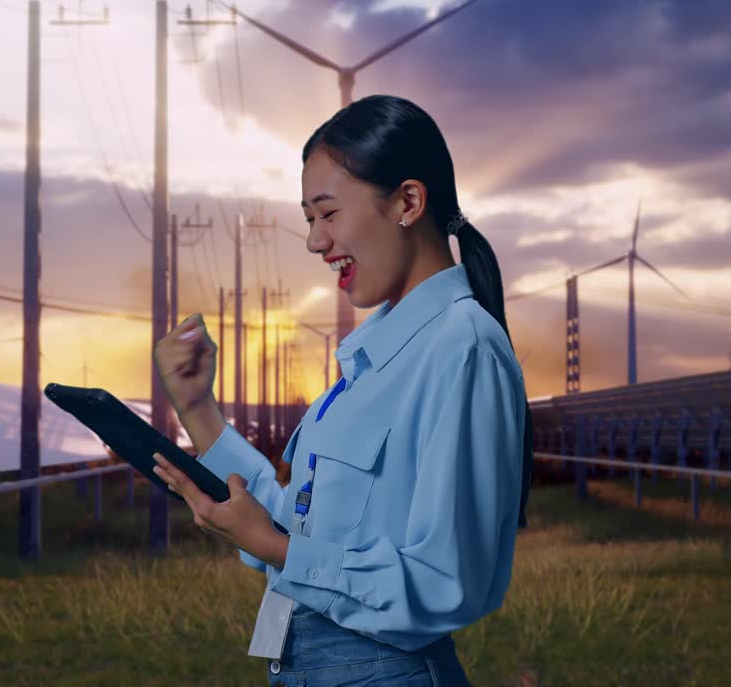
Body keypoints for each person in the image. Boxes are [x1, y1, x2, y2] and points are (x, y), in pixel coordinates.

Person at [151, 94, 533, 686]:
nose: (313, 241)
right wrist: (198, 409)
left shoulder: (463, 349)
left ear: (408, 201)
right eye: (309, 219)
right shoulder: (368, 360)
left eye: (327, 214)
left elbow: (448, 582)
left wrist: (279, 553)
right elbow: (297, 530)